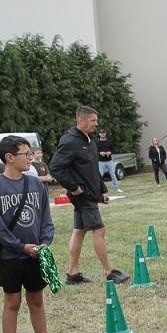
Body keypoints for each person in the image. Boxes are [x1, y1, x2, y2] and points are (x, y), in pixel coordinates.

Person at [0, 135, 59, 333]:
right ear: (9, 157)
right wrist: (19, 246)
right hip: (10, 257)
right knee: (12, 301)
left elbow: (45, 217)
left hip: (36, 255)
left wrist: (45, 242)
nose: (30, 159)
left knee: (36, 299)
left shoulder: (35, 184)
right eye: (25, 154)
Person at [49, 106, 128, 286]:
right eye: (93, 120)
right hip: (82, 196)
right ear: (81, 121)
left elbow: (92, 168)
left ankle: (72, 273)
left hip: (92, 194)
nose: (96, 124)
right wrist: (73, 187)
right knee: (99, 230)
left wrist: (102, 190)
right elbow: (56, 167)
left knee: (79, 231)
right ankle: (109, 272)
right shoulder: (70, 141)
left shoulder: (90, 140)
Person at [94, 128, 123, 195]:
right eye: (101, 133)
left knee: (113, 175)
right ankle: (98, 190)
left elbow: (113, 150)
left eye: (103, 133)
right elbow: (94, 151)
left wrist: (110, 152)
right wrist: (100, 153)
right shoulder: (97, 143)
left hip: (109, 161)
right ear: (99, 134)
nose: (102, 134)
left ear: (105, 134)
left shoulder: (109, 142)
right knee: (100, 176)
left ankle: (117, 188)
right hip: (100, 162)